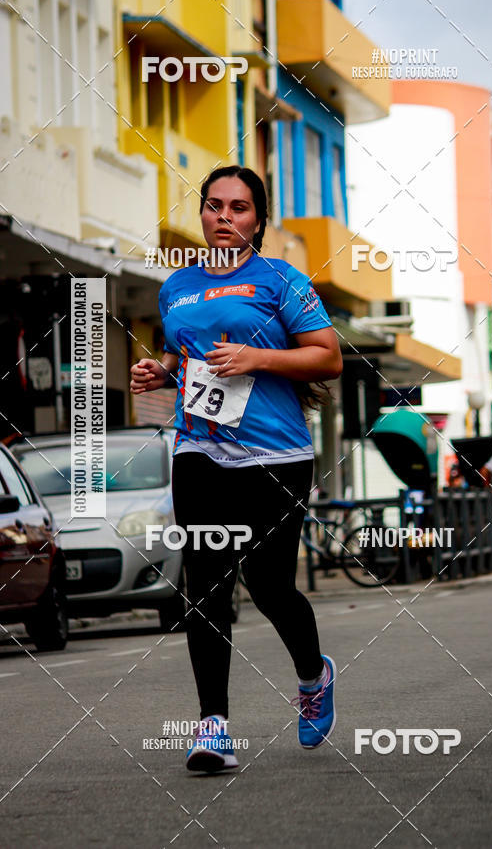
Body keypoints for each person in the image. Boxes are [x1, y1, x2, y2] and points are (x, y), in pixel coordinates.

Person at [130, 165, 343, 773]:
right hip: (200, 450)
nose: (225, 217)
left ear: (258, 219)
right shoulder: (177, 287)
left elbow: (328, 359)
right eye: (214, 205)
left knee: (270, 584)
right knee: (206, 587)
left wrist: (258, 357)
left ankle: (313, 675)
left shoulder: (282, 280)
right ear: (201, 214)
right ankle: (214, 726)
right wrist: (160, 371)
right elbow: (183, 357)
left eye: (240, 207)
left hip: (276, 455)